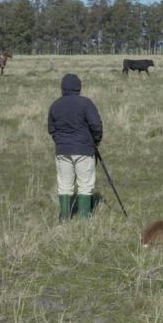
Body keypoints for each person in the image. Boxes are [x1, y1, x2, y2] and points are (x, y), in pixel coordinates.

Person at [48, 74, 103, 221]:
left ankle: (65, 217)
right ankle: (84, 218)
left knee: (64, 184)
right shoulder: (86, 103)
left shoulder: (55, 105)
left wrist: (60, 141)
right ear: (79, 87)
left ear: (62, 87)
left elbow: (51, 129)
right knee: (85, 184)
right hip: (84, 149)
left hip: (62, 150)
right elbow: (96, 125)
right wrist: (95, 141)